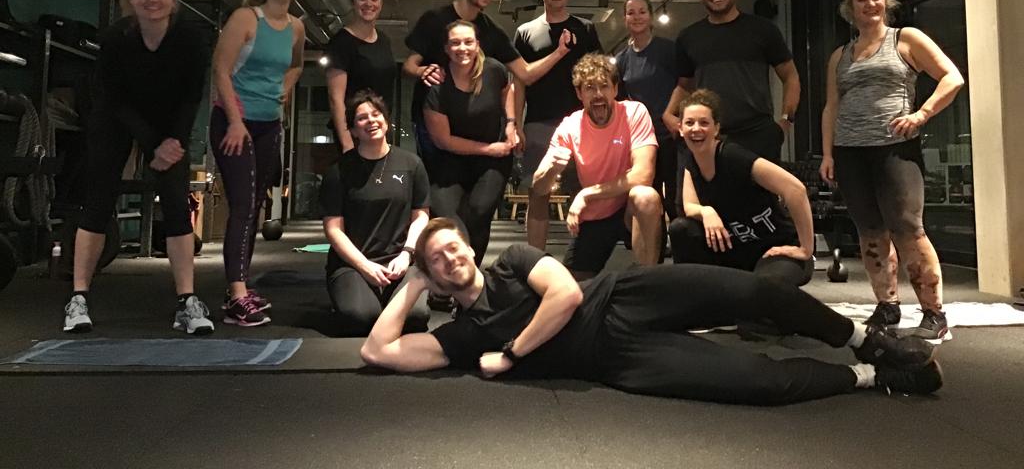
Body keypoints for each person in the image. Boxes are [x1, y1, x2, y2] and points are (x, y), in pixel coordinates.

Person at [360, 218, 943, 405]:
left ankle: (866, 340)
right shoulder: (461, 336)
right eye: (437, 260)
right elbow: (377, 350)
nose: (451, 258)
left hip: (624, 295)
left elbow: (565, 296)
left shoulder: (513, 262)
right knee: (758, 383)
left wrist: (511, 353)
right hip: (614, 358)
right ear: (435, 276)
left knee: (756, 293)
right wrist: (410, 283)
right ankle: (870, 376)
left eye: (454, 247)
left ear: (470, 247)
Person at [62, 0, 214, 335]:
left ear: (173, 0)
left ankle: (187, 301)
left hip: (169, 121)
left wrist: (174, 142)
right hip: (117, 117)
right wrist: (152, 144)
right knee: (99, 199)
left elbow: (191, 96)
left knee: (176, 203)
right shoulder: (116, 38)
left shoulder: (191, 39)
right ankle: (78, 299)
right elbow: (114, 98)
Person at [820, 0, 964, 341]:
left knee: (908, 229)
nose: (870, 4)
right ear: (850, 7)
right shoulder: (840, 56)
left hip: (895, 148)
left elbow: (952, 78)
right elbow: (832, 107)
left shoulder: (905, 39)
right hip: (850, 151)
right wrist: (827, 154)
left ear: (886, 1)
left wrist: (922, 114)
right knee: (869, 230)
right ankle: (887, 306)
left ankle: (934, 313)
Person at [403, 0, 572, 175]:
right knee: (438, 185)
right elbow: (409, 65)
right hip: (433, 126)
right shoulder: (434, 20)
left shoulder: (492, 31)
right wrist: (422, 71)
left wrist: (560, 52)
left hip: (475, 129)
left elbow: (525, 74)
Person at [211, 0, 305, 327]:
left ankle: (239, 288)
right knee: (243, 205)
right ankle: (237, 297)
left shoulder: (296, 27)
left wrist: (285, 89)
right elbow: (220, 69)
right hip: (235, 122)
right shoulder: (246, 18)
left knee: (255, 206)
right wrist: (235, 121)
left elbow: (296, 65)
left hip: (269, 124)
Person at [531, 53, 662, 276]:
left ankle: (647, 281)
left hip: (629, 211)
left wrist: (587, 194)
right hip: (596, 216)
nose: (598, 94)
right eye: (590, 88)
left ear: (615, 89)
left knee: (645, 195)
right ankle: (532, 268)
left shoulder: (635, 112)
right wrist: (550, 170)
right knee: (575, 288)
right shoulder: (570, 126)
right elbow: (539, 188)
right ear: (579, 94)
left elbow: (643, 174)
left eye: (604, 86)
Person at [669, 89, 814, 286]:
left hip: (775, 250)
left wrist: (806, 248)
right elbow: (689, 206)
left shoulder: (732, 156)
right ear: (680, 128)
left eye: (704, 123)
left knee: (761, 288)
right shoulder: (690, 158)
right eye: (689, 123)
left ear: (716, 128)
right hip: (736, 251)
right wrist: (706, 211)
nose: (696, 129)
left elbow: (795, 189)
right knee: (681, 229)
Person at [662, 0, 800, 162]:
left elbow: (790, 75)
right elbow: (685, 85)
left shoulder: (763, 29)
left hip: (758, 135)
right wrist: (668, 114)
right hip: (709, 136)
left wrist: (786, 121)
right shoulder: (688, 37)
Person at [320, 90, 430, 335]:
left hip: (400, 260)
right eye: (361, 118)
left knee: (416, 317)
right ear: (353, 130)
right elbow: (333, 229)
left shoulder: (411, 164)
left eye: (376, 114)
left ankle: (386, 300)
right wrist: (365, 266)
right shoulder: (339, 171)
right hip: (353, 263)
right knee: (359, 318)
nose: (371, 120)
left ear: (386, 121)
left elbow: (421, 216)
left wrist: (407, 254)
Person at [513, 0, 602, 250]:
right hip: (538, 123)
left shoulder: (585, 29)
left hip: (582, 125)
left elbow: (597, 76)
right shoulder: (525, 32)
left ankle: (584, 258)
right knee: (538, 192)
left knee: (584, 192)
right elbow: (518, 83)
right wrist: (515, 125)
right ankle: (535, 259)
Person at [423, 21, 518, 265]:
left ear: (477, 45)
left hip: (494, 160)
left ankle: (469, 273)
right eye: (455, 43)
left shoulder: (494, 69)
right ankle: (456, 268)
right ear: (446, 48)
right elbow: (443, 141)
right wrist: (487, 149)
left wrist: (511, 122)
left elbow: (507, 90)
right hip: (452, 157)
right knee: (446, 215)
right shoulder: (437, 86)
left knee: (478, 212)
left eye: (468, 42)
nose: (462, 48)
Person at [616, 0, 679, 219]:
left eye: (642, 12)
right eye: (631, 13)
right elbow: (621, 100)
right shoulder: (622, 59)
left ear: (651, 17)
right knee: (647, 197)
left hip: (670, 135)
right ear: (625, 19)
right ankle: (653, 243)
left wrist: (671, 114)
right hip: (642, 140)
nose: (637, 17)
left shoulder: (669, 50)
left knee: (675, 199)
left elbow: (685, 85)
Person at [325, 0, 395, 153]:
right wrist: (347, 142)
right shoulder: (341, 42)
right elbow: (335, 98)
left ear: (381, 3)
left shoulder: (384, 40)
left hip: (380, 129)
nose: (368, 4)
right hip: (355, 131)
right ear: (352, 2)